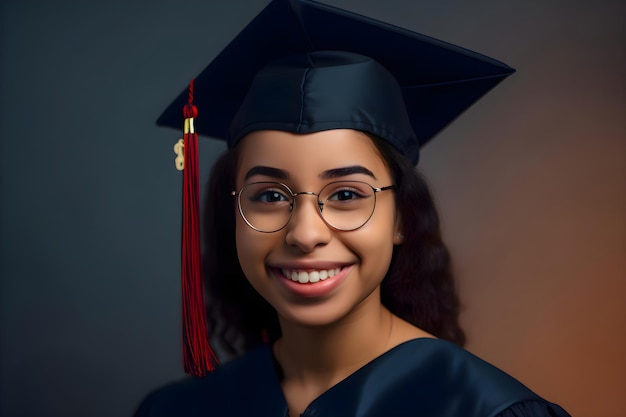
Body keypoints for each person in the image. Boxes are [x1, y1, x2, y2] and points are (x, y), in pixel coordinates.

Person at [134, 0, 570, 416]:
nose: (305, 234)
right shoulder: (180, 409)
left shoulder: (481, 408)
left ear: (401, 217)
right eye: (269, 196)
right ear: (234, 213)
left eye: (346, 195)